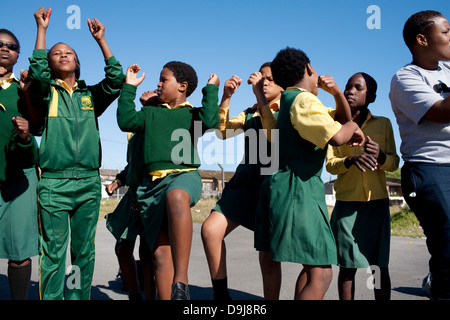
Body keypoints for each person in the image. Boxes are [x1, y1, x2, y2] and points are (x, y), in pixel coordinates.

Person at [253, 47, 365, 300]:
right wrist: (353, 126)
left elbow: (339, 121)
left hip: (282, 185)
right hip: (298, 189)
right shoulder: (305, 101)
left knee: (309, 266)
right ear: (309, 70)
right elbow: (338, 136)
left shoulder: (288, 104)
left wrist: (339, 100)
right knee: (321, 274)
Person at [29, 7, 124, 300]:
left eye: (68, 51)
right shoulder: (47, 93)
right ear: (50, 62)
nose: (63, 54)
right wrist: (42, 30)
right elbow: (37, 73)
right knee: (54, 254)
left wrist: (101, 40)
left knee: (83, 252)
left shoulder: (90, 96)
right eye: (56, 53)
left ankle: (76, 298)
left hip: (87, 184)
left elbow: (116, 79)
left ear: (78, 62)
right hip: (54, 185)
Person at [117, 63, 220, 300]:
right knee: (160, 256)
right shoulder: (151, 114)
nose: (158, 84)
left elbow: (211, 119)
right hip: (151, 186)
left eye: (164, 80)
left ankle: (181, 281)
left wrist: (211, 89)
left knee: (177, 195)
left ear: (182, 87)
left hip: (183, 175)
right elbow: (125, 120)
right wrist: (129, 88)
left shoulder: (192, 114)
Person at [201, 62, 283, 300]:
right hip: (245, 183)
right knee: (210, 230)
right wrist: (226, 97)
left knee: (267, 256)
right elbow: (221, 131)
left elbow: (274, 133)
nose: (265, 82)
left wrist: (259, 95)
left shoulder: (286, 111)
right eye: (262, 78)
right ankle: (221, 296)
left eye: (271, 79)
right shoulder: (250, 112)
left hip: (271, 186)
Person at [389, 10, 450, 300]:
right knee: (447, 243)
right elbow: (440, 113)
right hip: (430, 168)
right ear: (423, 40)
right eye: (446, 31)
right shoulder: (405, 77)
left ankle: (437, 276)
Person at [326, 72, 400, 300]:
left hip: (376, 206)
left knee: (378, 267)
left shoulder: (383, 124)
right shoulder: (334, 125)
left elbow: (394, 162)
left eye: (358, 88)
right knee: (347, 268)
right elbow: (330, 164)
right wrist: (350, 160)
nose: (350, 91)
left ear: (372, 97)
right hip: (347, 206)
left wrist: (380, 157)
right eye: (348, 87)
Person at [0, 28, 40, 300]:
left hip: (19, 176)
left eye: (12, 46)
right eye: (0, 44)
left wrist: (28, 90)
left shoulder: (23, 89)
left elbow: (37, 128)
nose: (5, 48)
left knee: (19, 250)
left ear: (17, 56)